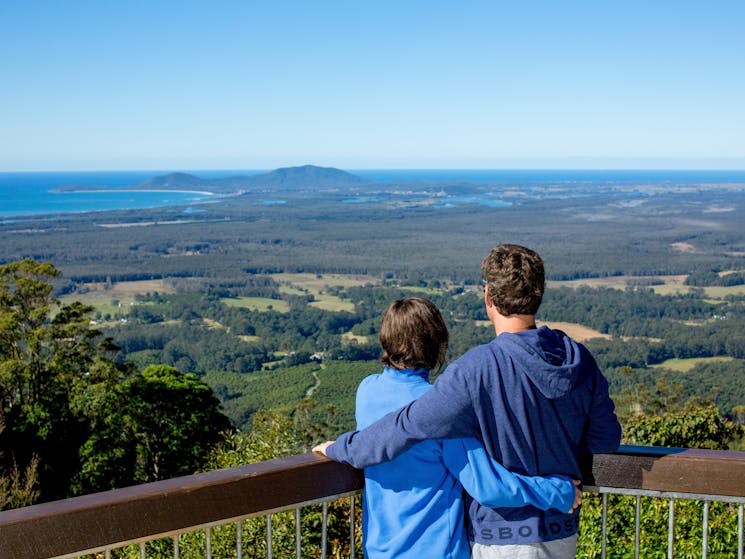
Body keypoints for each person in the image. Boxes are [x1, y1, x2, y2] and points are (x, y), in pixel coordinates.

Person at [315, 244, 622, 559]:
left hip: (499, 534)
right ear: (539, 294)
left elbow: (406, 425)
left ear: (488, 297)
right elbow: (606, 438)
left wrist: (341, 448)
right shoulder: (578, 358)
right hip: (562, 530)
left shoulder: (476, 370)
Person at [326, 296, 580, 559]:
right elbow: (489, 487)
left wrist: (333, 447)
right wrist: (558, 492)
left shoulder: (366, 391)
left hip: (379, 551)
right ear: (437, 344)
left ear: (386, 340)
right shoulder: (442, 410)